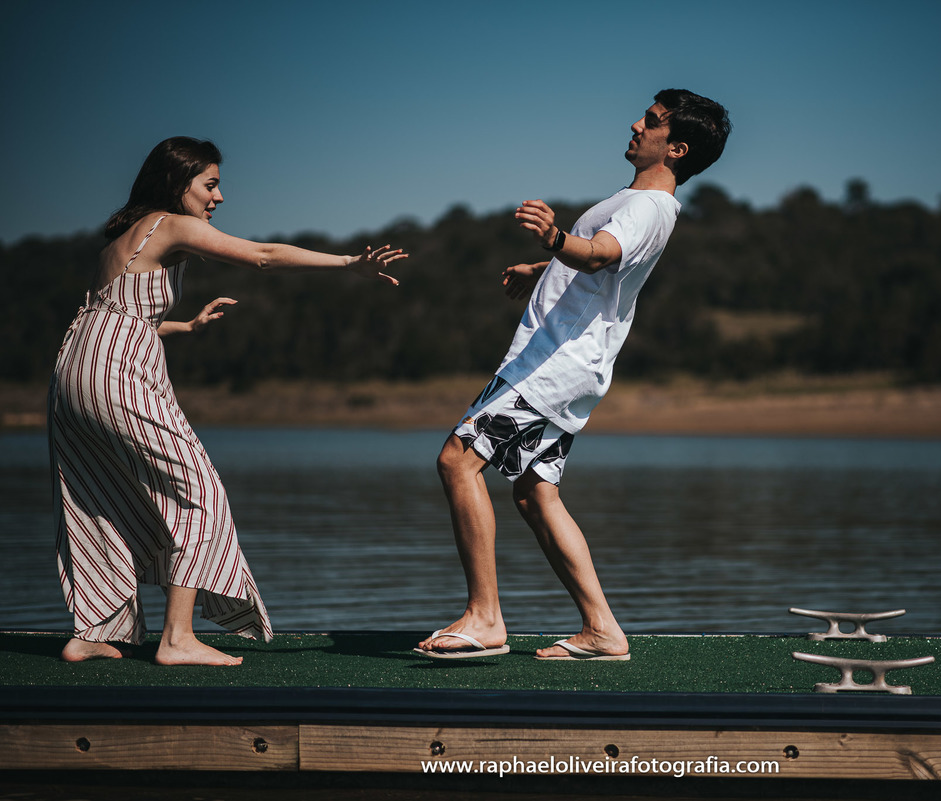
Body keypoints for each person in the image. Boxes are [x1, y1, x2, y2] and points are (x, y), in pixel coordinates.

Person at [50, 136, 406, 666]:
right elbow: (263, 257)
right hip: (117, 371)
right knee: (200, 492)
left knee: (97, 491)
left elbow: (118, 313)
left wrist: (185, 326)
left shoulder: (121, 239)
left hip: (75, 368)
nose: (218, 197)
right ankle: (177, 638)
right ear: (177, 182)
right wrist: (350, 261)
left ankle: (91, 631)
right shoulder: (173, 224)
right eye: (210, 185)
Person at [417, 89, 731, 661]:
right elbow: (603, 268)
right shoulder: (643, 204)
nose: (636, 124)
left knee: (457, 461)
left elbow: (600, 255)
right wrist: (544, 267)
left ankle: (485, 618)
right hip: (569, 369)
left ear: (677, 148)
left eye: (652, 122)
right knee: (536, 494)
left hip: (551, 368)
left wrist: (553, 238)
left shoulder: (648, 207)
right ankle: (602, 630)